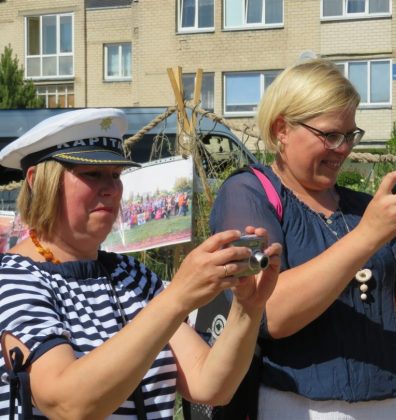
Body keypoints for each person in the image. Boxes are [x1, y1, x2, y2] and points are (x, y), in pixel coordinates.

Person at [0, 108, 282, 419]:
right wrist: (177, 298)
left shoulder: (131, 275)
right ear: (37, 181)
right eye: (92, 174)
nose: (111, 189)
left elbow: (210, 384)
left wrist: (248, 308)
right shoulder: (14, 278)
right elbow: (67, 404)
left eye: (116, 175)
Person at [210, 58, 396, 419]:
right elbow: (267, 312)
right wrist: (367, 236)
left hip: (392, 407)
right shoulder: (246, 195)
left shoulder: (362, 208)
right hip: (295, 407)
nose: (343, 149)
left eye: (350, 135)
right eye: (331, 135)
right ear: (281, 129)